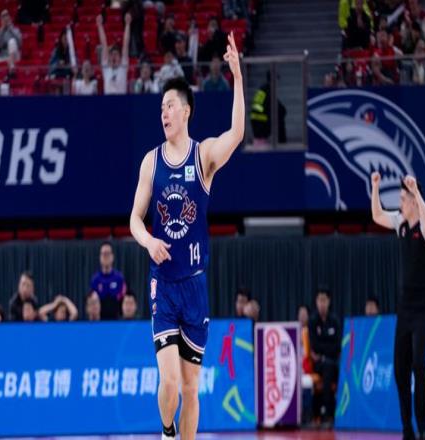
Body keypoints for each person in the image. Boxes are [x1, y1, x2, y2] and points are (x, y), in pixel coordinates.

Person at [129, 32, 243, 440]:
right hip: (163, 285)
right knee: (171, 382)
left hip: (195, 286)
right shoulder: (151, 162)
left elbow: (237, 133)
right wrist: (147, 241)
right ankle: (166, 430)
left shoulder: (204, 155)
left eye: (170, 106)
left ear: (186, 111)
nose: (164, 112)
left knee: (192, 390)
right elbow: (134, 219)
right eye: (161, 107)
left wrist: (237, 77)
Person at [371, 172, 425, 440]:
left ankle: (422, 426)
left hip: (422, 309)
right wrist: (375, 187)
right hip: (404, 309)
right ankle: (407, 428)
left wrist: (416, 192)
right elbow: (377, 215)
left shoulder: (424, 228)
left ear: (412, 202)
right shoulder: (400, 224)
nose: (399, 204)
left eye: (402, 199)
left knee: (418, 364)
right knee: (400, 370)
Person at [308, 288, 341, 428]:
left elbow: (337, 345)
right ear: (316, 302)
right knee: (327, 367)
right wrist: (327, 346)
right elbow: (314, 345)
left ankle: (329, 414)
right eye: (319, 300)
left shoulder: (335, 320)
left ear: (329, 301)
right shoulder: (312, 321)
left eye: (324, 300)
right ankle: (326, 415)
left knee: (331, 366)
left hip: (334, 361)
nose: (322, 303)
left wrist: (324, 349)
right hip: (318, 363)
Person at [90, 241, 127, 320]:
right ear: (100, 257)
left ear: (112, 256)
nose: (105, 256)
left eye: (108, 254)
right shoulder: (95, 279)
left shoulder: (119, 278)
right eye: (103, 254)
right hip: (99, 320)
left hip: (117, 319)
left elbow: (123, 299)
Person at [97, 13, 131, 95]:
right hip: (108, 101)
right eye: (112, 55)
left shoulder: (123, 67)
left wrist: (127, 24)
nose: (114, 57)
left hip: (121, 100)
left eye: (116, 55)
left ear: (120, 58)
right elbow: (104, 44)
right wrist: (99, 25)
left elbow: (125, 44)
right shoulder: (106, 68)